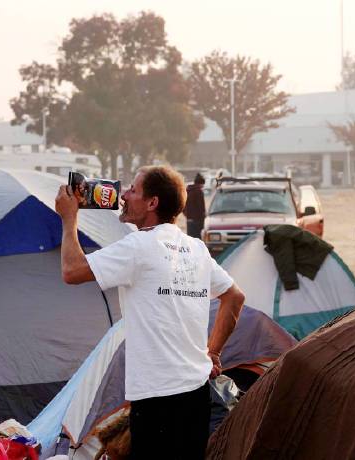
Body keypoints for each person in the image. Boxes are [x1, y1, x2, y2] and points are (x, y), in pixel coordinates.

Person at [54, 165, 245, 460]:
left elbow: (71, 271)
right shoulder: (196, 248)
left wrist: (69, 218)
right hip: (196, 395)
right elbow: (234, 297)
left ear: (152, 203)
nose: (124, 195)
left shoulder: (139, 245)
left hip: (156, 400)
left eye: (133, 190)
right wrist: (213, 352)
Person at [183, 173, 207, 239]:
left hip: (189, 220)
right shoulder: (199, 192)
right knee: (198, 240)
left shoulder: (187, 191)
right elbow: (201, 208)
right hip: (198, 221)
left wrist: (187, 214)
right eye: (202, 185)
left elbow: (182, 205)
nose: (203, 187)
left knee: (191, 240)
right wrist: (203, 217)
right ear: (201, 183)